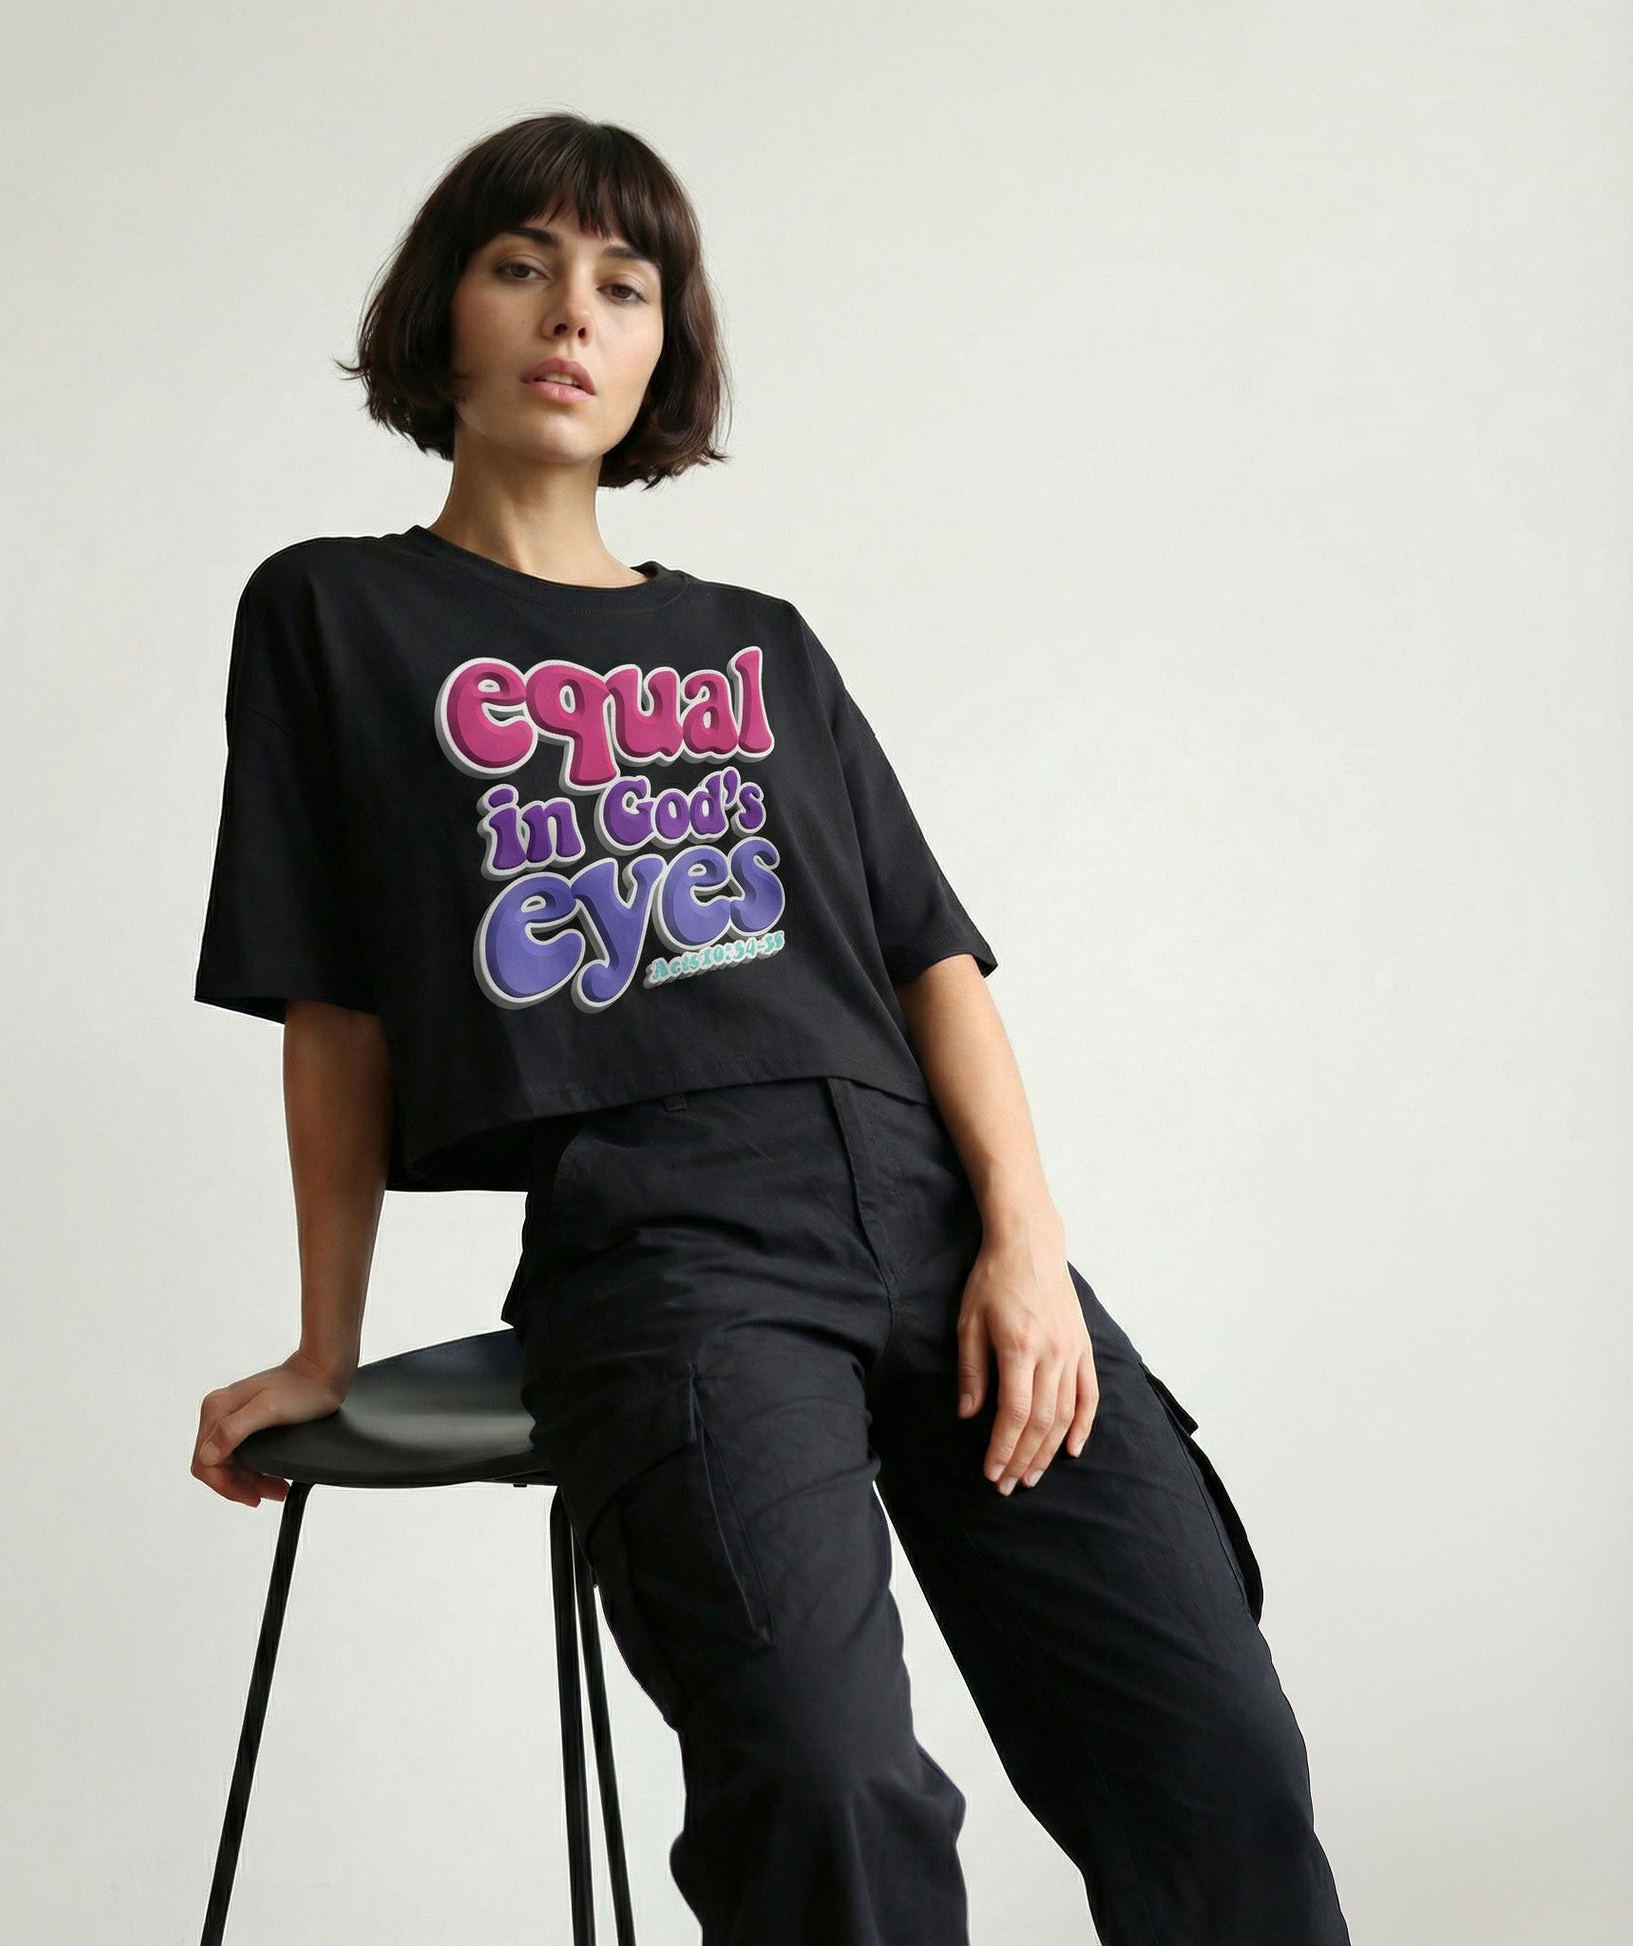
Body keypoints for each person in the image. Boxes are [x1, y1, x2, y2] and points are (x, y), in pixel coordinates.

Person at [187, 111, 1351, 1946]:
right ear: (441, 312)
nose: (571, 314)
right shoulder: (335, 608)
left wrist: (1025, 1246)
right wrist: (324, 1340)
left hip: (933, 1209)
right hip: (668, 1237)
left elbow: (930, 965)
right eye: (521, 266)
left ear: (663, 345)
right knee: (825, 1779)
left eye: (623, 284)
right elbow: (329, 1004)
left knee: (1212, 1752)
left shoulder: (763, 642)